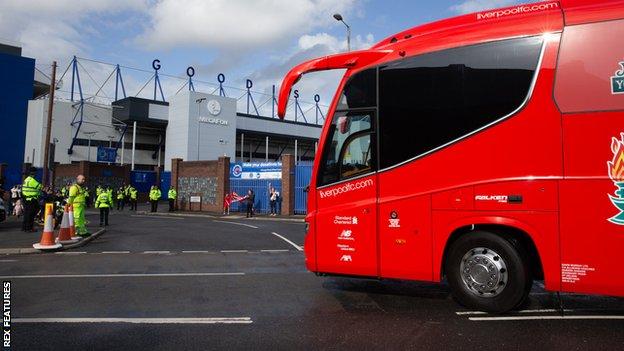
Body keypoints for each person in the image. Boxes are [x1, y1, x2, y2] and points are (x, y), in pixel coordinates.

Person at [21, 167, 42, 232]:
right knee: (31, 213)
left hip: (25, 199)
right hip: (31, 199)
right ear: (34, 173)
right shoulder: (32, 181)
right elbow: (40, 186)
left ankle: (24, 227)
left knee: (26, 213)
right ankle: (29, 228)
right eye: (35, 173)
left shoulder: (26, 180)